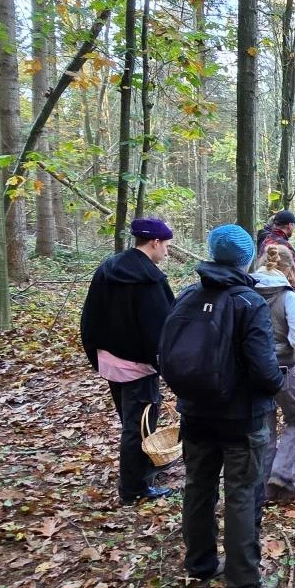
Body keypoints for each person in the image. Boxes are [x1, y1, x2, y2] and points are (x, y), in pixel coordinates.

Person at [173, 224, 284, 588]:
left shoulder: (187, 296)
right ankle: (242, 585)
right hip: (241, 417)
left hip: (195, 412)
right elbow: (264, 368)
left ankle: (200, 563)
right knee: (240, 493)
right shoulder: (248, 303)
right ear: (244, 259)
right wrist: (275, 385)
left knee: (198, 486)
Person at [80, 217, 175, 506]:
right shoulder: (149, 280)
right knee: (139, 427)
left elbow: (89, 317)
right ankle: (134, 487)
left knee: (132, 420)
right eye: (167, 246)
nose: (167, 253)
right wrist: (166, 365)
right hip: (138, 366)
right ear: (155, 242)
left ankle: (143, 468)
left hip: (110, 361)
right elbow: (161, 330)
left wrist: (96, 354)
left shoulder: (108, 269)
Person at [253, 244, 295, 506]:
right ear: (288, 269)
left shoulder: (246, 291)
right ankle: (282, 474)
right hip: (283, 369)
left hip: (254, 369)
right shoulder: (287, 296)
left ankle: (265, 487)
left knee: (265, 426)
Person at [257, 210, 295, 292]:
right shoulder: (284, 246)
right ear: (289, 225)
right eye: (293, 226)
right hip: (282, 293)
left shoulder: (266, 240)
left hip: (264, 289)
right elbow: (293, 275)